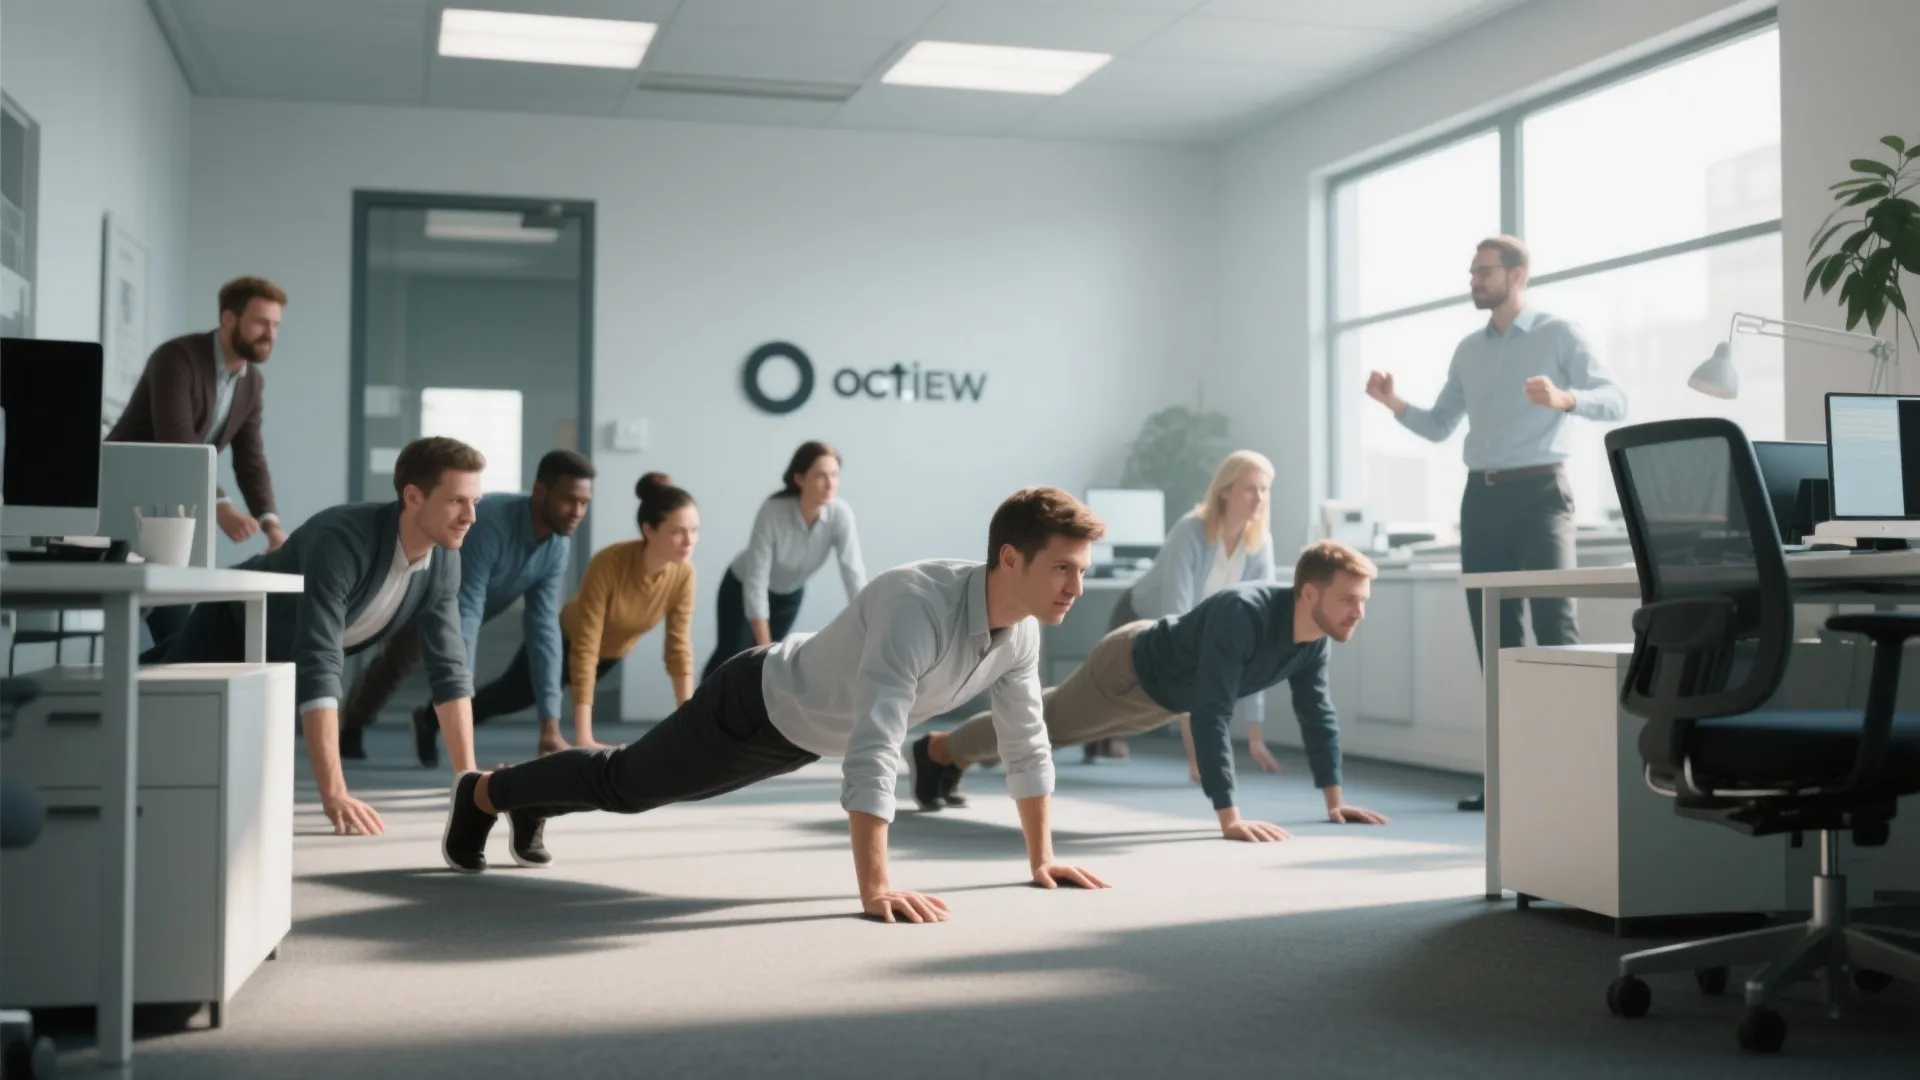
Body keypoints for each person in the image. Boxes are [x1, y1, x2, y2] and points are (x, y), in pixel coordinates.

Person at [438, 487, 1112, 917]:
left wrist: (1040, 858)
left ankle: (526, 798)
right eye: (1063, 568)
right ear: (1010, 560)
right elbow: (878, 743)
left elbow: (1025, 739)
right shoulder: (917, 605)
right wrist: (875, 888)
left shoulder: (1020, 633)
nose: (1075, 588)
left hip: (804, 731)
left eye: (1082, 571)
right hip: (755, 705)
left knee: (631, 781)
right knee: (628, 784)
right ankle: (485, 794)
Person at [1364, 235, 1627, 811]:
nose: (1474, 282)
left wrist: (1565, 399)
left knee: (1557, 629)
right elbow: (1438, 426)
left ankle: (1573, 770)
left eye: (1484, 272)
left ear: (1518, 275)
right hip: (1480, 501)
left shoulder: (1559, 333)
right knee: (1497, 639)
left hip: (1541, 494)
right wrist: (1393, 403)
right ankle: (1510, 776)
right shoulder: (1468, 350)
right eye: (1472, 273)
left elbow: (1616, 399)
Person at [916, 540, 1388, 838]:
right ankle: (938, 750)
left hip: (1162, 698)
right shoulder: (1243, 614)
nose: (1358, 613)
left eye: (1362, 601)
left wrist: (1335, 800)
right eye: (1348, 600)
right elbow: (1213, 712)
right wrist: (1229, 816)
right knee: (1041, 730)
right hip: (1128, 668)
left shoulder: (1312, 642)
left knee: (1045, 728)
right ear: (1309, 592)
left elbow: (1317, 713)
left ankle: (945, 752)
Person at [144, 437, 486, 837]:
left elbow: (450, 669)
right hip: (230, 626)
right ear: (413, 496)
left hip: (280, 654)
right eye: (457, 501)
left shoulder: (445, 559)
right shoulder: (341, 540)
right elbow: (320, 661)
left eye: (475, 502)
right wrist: (334, 793)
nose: (471, 516)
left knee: (163, 705)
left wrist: (469, 781)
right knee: (154, 718)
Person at [338, 450, 596, 766]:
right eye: (569, 500)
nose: (577, 512)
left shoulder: (557, 545)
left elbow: (543, 628)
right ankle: (352, 722)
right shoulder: (491, 524)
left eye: (584, 503)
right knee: (399, 660)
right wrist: (460, 695)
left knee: (459, 666)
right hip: (423, 595)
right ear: (540, 490)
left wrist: (550, 726)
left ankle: (427, 721)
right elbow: (466, 614)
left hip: (465, 606)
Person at [108, 276, 290, 643]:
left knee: (171, 621)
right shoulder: (177, 359)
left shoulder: (251, 381)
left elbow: (251, 459)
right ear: (228, 320)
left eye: (275, 325)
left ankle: (149, 688)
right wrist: (220, 506)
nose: (270, 333)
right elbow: (176, 441)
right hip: (123, 496)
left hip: (170, 512)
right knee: (169, 624)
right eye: (260, 322)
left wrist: (271, 524)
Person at [462, 472, 698, 752]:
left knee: (531, 695)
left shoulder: (684, 575)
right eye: (678, 531)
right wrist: (584, 738)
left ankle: (448, 718)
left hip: (609, 654)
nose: (689, 540)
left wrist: (689, 722)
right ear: (649, 530)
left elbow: (678, 648)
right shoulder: (609, 563)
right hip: (563, 641)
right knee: (510, 696)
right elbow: (586, 644)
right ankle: (435, 717)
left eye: (694, 530)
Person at [1086, 450, 1277, 768]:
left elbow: (1259, 634)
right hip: (1138, 615)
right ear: (1225, 491)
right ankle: (1028, 737)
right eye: (1250, 488)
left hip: (1194, 625)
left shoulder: (1261, 544)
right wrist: (1196, 756)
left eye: (1264, 489)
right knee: (1108, 694)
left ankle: (1101, 737)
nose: (1259, 497)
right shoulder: (1191, 530)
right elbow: (1177, 622)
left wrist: (1256, 738)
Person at [701, 441, 866, 682]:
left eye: (834, 474)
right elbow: (756, 578)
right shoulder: (773, 510)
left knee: (768, 665)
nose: (830, 483)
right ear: (800, 479)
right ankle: (699, 715)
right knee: (733, 656)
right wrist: (763, 641)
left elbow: (853, 572)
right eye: (821, 475)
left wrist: (868, 619)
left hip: (789, 595)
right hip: (741, 587)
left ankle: (749, 720)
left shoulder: (841, 515)